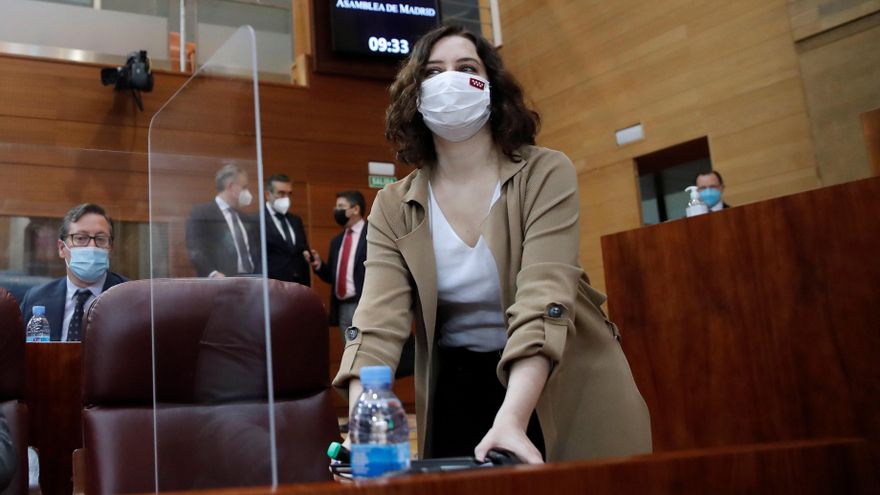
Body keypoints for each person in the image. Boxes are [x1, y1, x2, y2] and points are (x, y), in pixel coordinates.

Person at [332, 25, 652, 464]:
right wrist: (361, 427)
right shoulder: (392, 204)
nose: (451, 80)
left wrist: (513, 418)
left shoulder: (545, 173)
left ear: (492, 88)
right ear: (415, 95)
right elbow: (376, 325)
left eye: (467, 68)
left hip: (558, 376)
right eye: (433, 71)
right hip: (459, 382)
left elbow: (545, 297)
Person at [20, 203, 127, 341]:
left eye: (101, 239)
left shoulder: (130, 299)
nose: (92, 247)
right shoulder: (35, 299)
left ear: (111, 249)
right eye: (81, 238)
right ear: (61, 248)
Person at [304, 191, 368, 335]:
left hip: (364, 305)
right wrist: (319, 265)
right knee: (349, 353)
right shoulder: (337, 241)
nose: (336, 210)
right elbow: (333, 277)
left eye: (341, 206)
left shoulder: (372, 235)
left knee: (367, 353)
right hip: (342, 307)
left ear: (355, 209)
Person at [187, 164, 258, 278]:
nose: (247, 192)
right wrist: (213, 274)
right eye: (244, 187)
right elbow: (195, 250)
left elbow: (255, 251)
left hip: (252, 281)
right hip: (221, 283)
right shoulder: (202, 213)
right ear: (231, 187)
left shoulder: (245, 218)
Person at [262, 174, 311, 285]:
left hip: (299, 286)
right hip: (272, 287)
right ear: (267, 195)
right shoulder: (257, 221)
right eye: (281, 193)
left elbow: (303, 249)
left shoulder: (296, 220)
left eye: (289, 194)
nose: (286, 198)